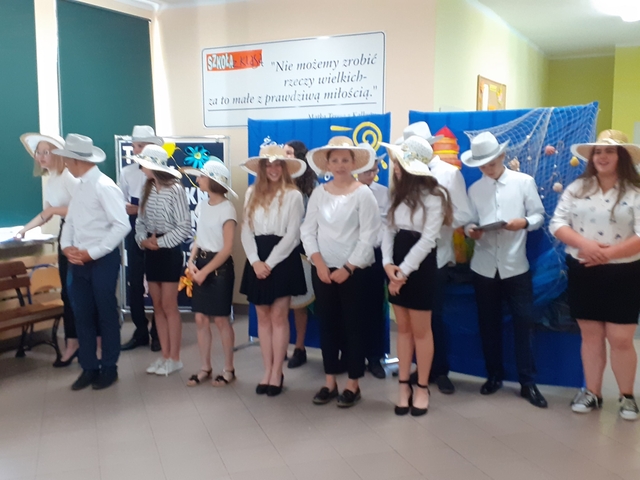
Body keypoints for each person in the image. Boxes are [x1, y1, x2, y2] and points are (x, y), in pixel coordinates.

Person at [550, 130, 640, 421]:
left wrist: (608, 254)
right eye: (598, 152)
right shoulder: (578, 187)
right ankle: (592, 392)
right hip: (583, 269)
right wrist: (586, 245)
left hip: (624, 272)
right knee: (590, 336)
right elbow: (557, 223)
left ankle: (627, 396)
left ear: (621, 156)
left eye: (609, 151)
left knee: (620, 338)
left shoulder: (635, 191)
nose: (602, 156)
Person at [462, 131, 548, 408]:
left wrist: (523, 222)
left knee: (524, 324)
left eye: (491, 163)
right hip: (484, 266)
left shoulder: (523, 182)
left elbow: (538, 215)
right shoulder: (475, 189)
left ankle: (527, 382)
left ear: (502, 156)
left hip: (515, 265)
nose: (487, 169)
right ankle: (493, 375)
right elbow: (469, 221)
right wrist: (471, 231)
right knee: (488, 324)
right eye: (482, 165)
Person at [301, 137, 380, 408]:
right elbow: (307, 230)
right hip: (323, 271)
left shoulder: (363, 194)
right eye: (334, 160)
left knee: (354, 326)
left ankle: (353, 384)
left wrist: (348, 267)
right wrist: (319, 263)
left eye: (345, 160)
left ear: (354, 163)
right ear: (327, 164)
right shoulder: (319, 193)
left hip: (354, 272)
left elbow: (369, 236)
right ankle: (330, 381)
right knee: (328, 326)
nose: (340, 165)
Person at [398, 122, 473, 394]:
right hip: (406, 259)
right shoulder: (404, 175)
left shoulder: (449, 174)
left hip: (436, 256)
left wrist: (433, 224)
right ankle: (418, 369)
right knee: (409, 321)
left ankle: (439, 371)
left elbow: (464, 214)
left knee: (433, 318)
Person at [381, 136, 452, 416]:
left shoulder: (435, 196)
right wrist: (388, 264)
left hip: (420, 266)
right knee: (403, 329)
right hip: (396, 263)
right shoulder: (396, 193)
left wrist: (402, 273)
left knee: (422, 330)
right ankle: (403, 387)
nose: (395, 168)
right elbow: (388, 229)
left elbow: (428, 239)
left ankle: (422, 387)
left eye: (399, 163)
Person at [55, 134, 130, 390]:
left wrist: (94, 252)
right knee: (82, 314)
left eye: (67, 159)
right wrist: (67, 247)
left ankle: (109, 367)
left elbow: (121, 225)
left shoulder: (104, 186)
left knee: (105, 313)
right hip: (78, 260)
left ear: (77, 160)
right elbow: (70, 223)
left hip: (102, 260)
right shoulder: (80, 187)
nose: (65, 164)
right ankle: (89, 367)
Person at [240, 145, 307, 396]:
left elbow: (292, 235)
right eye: (268, 165)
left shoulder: (293, 195)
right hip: (256, 257)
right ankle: (267, 370)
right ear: (262, 168)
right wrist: (255, 261)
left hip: (282, 259)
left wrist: (269, 263)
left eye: (278, 164)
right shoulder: (251, 192)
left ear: (284, 167)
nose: (273, 169)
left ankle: (278, 371)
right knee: (263, 317)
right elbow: (246, 229)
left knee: (279, 317)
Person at [17, 133, 80, 367]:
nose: (41, 157)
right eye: (39, 152)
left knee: (76, 293)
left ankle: (83, 343)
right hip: (66, 234)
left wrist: (54, 211)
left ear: (58, 155)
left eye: (47, 152)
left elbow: (82, 207)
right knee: (67, 293)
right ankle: (72, 343)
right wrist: (24, 230)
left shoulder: (68, 177)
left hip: (80, 235)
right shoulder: (50, 179)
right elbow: (46, 213)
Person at [132, 145, 191, 376]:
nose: (141, 167)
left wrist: (161, 243)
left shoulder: (175, 189)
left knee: (169, 305)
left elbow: (184, 227)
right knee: (156, 305)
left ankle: (175, 358)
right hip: (151, 250)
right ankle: (165, 355)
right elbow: (140, 222)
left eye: (144, 163)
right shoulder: (146, 187)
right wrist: (143, 241)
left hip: (169, 252)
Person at [184, 159, 238, 387]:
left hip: (220, 269)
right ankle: (205, 367)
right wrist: (191, 260)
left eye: (201, 176)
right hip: (202, 264)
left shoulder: (228, 209)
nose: (198, 180)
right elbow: (199, 237)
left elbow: (227, 248)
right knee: (200, 318)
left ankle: (229, 368)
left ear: (213, 181)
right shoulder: (203, 205)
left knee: (221, 320)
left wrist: (205, 271)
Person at [119, 125, 162, 352]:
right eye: (135, 146)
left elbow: (167, 205)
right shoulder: (127, 172)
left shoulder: (163, 172)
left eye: (141, 146)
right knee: (135, 282)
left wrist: (140, 209)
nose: (136, 150)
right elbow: (121, 203)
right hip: (134, 229)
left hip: (158, 229)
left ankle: (159, 332)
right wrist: (132, 210)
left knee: (157, 281)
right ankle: (140, 330)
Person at [356, 144, 390, 379]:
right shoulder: (344, 192)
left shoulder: (384, 193)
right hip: (348, 255)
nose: (373, 174)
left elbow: (388, 226)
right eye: (368, 170)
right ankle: (352, 356)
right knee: (351, 308)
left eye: (375, 170)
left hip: (376, 255)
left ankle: (375, 358)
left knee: (375, 308)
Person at [284, 140, 317, 369]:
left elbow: (311, 219)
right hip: (279, 247)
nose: (284, 156)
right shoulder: (278, 181)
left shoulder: (310, 185)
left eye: (288, 153)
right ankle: (281, 346)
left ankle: (300, 347)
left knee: (299, 302)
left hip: (302, 247)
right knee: (281, 301)